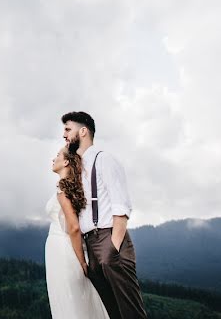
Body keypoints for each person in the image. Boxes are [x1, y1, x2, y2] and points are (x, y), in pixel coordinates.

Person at [62, 111, 147, 319]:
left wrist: (113, 247)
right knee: (112, 313)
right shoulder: (79, 168)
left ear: (83, 131)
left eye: (67, 129)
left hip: (109, 239)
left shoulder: (104, 159)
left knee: (130, 312)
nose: (64, 135)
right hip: (91, 244)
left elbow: (122, 206)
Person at [45, 144, 109, 319]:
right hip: (64, 248)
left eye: (57, 155)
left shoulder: (62, 189)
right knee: (77, 298)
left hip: (63, 250)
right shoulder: (73, 187)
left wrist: (81, 261)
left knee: (68, 298)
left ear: (66, 161)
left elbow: (73, 227)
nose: (53, 158)